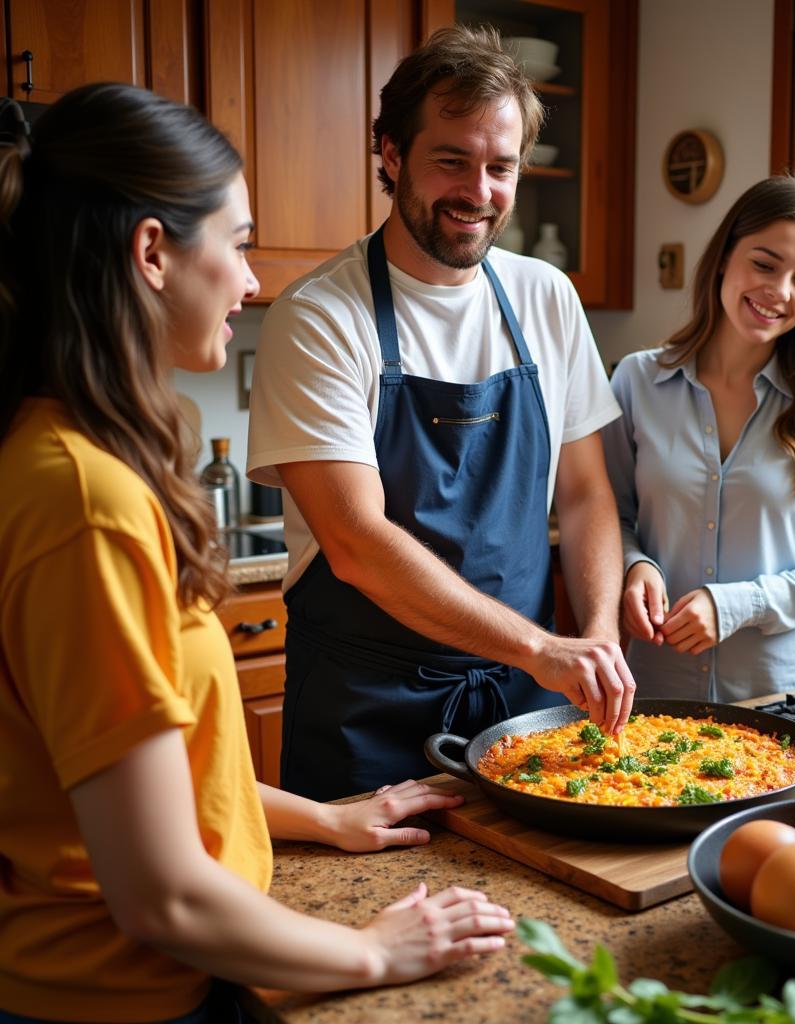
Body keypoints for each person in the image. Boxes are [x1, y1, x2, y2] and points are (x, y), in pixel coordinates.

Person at [0, 83, 516, 1024]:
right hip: (116, 1000)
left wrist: (324, 819)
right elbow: (162, 896)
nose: (249, 280)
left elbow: (163, 776)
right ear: (152, 252)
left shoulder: (77, 458)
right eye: (236, 244)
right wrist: (377, 948)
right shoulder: (86, 503)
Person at [247, 25, 635, 801]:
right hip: (366, 712)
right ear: (391, 155)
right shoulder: (320, 316)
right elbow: (356, 542)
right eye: (451, 160)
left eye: (501, 167)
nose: (479, 192)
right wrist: (543, 648)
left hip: (526, 703)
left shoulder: (546, 297)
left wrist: (596, 635)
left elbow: (586, 492)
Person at [601, 176, 795, 703]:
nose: (780, 291)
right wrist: (634, 566)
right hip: (654, 686)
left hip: (777, 695)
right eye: (765, 264)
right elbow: (609, 516)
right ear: (724, 256)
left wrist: (737, 605)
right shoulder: (636, 381)